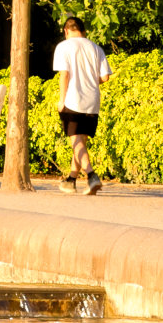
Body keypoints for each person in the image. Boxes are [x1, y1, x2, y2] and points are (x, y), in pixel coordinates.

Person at [52, 16, 111, 196]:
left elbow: (64, 75)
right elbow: (105, 77)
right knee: (80, 143)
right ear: (84, 31)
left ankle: (92, 176)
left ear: (66, 31)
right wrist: (89, 82)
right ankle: (71, 180)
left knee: (75, 141)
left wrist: (62, 100)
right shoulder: (95, 48)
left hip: (73, 100)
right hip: (92, 101)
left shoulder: (64, 47)